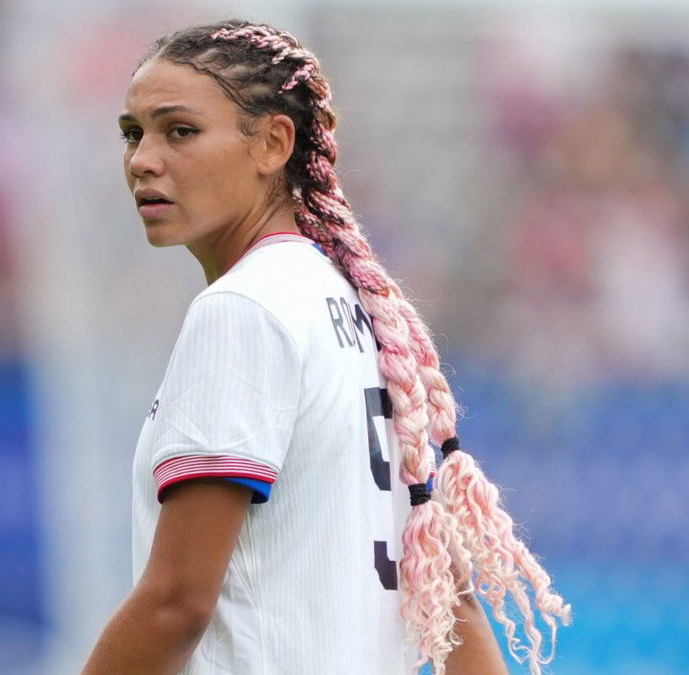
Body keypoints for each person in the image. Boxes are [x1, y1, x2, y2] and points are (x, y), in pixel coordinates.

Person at [81, 21, 571, 675]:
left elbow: (176, 601)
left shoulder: (244, 309)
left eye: (179, 130)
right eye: (132, 132)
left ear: (274, 143)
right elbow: (456, 604)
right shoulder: (361, 310)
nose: (142, 157)